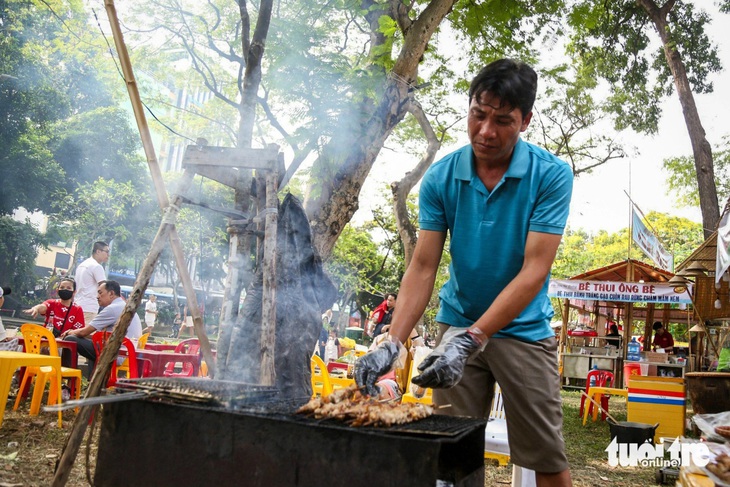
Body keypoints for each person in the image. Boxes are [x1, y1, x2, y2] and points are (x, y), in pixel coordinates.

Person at [354, 59, 573, 486]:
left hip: (523, 331)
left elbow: (534, 272)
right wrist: (393, 343)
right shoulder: (441, 177)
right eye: (479, 114)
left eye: (503, 120)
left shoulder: (551, 175)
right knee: (453, 460)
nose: (486, 131)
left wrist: (475, 337)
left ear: (525, 120)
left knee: (546, 460)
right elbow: (422, 266)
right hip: (457, 325)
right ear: (469, 107)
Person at [61, 280, 143, 377]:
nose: (97, 296)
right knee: (95, 347)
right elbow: (96, 336)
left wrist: (70, 332)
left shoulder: (112, 309)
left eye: (100, 293)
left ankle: (68, 378)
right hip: (128, 355)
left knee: (70, 339)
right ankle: (91, 382)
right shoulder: (124, 306)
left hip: (116, 354)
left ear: (111, 293)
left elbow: (84, 332)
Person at [73, 241, 110, 323]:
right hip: (89, 307)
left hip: (77, 305)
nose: (108, 255)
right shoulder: (97, 266)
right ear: (98, 251)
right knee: (86, 334)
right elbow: (104, 287)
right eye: (106, 252)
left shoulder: (82, 265)